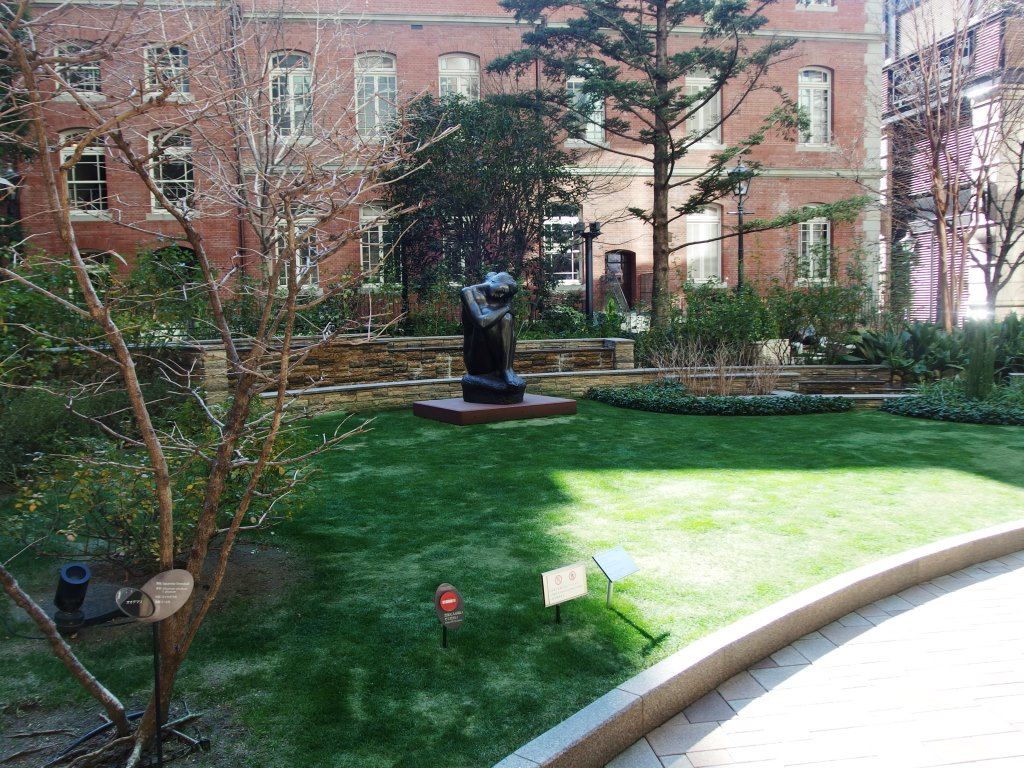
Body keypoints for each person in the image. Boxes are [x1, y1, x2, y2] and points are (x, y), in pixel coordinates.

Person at [460, 272, 526, 403]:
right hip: (477, 359)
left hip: (496, 362)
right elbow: (481, 322)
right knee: (503, 316)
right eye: (502, 290)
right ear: (495, 281)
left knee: (507, 318)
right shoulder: (468, 292)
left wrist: (505, 309)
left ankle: (506, 369)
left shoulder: (501, 299)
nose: (501, 295)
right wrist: (506, 308)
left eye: (505, 295)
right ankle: (505, 370)